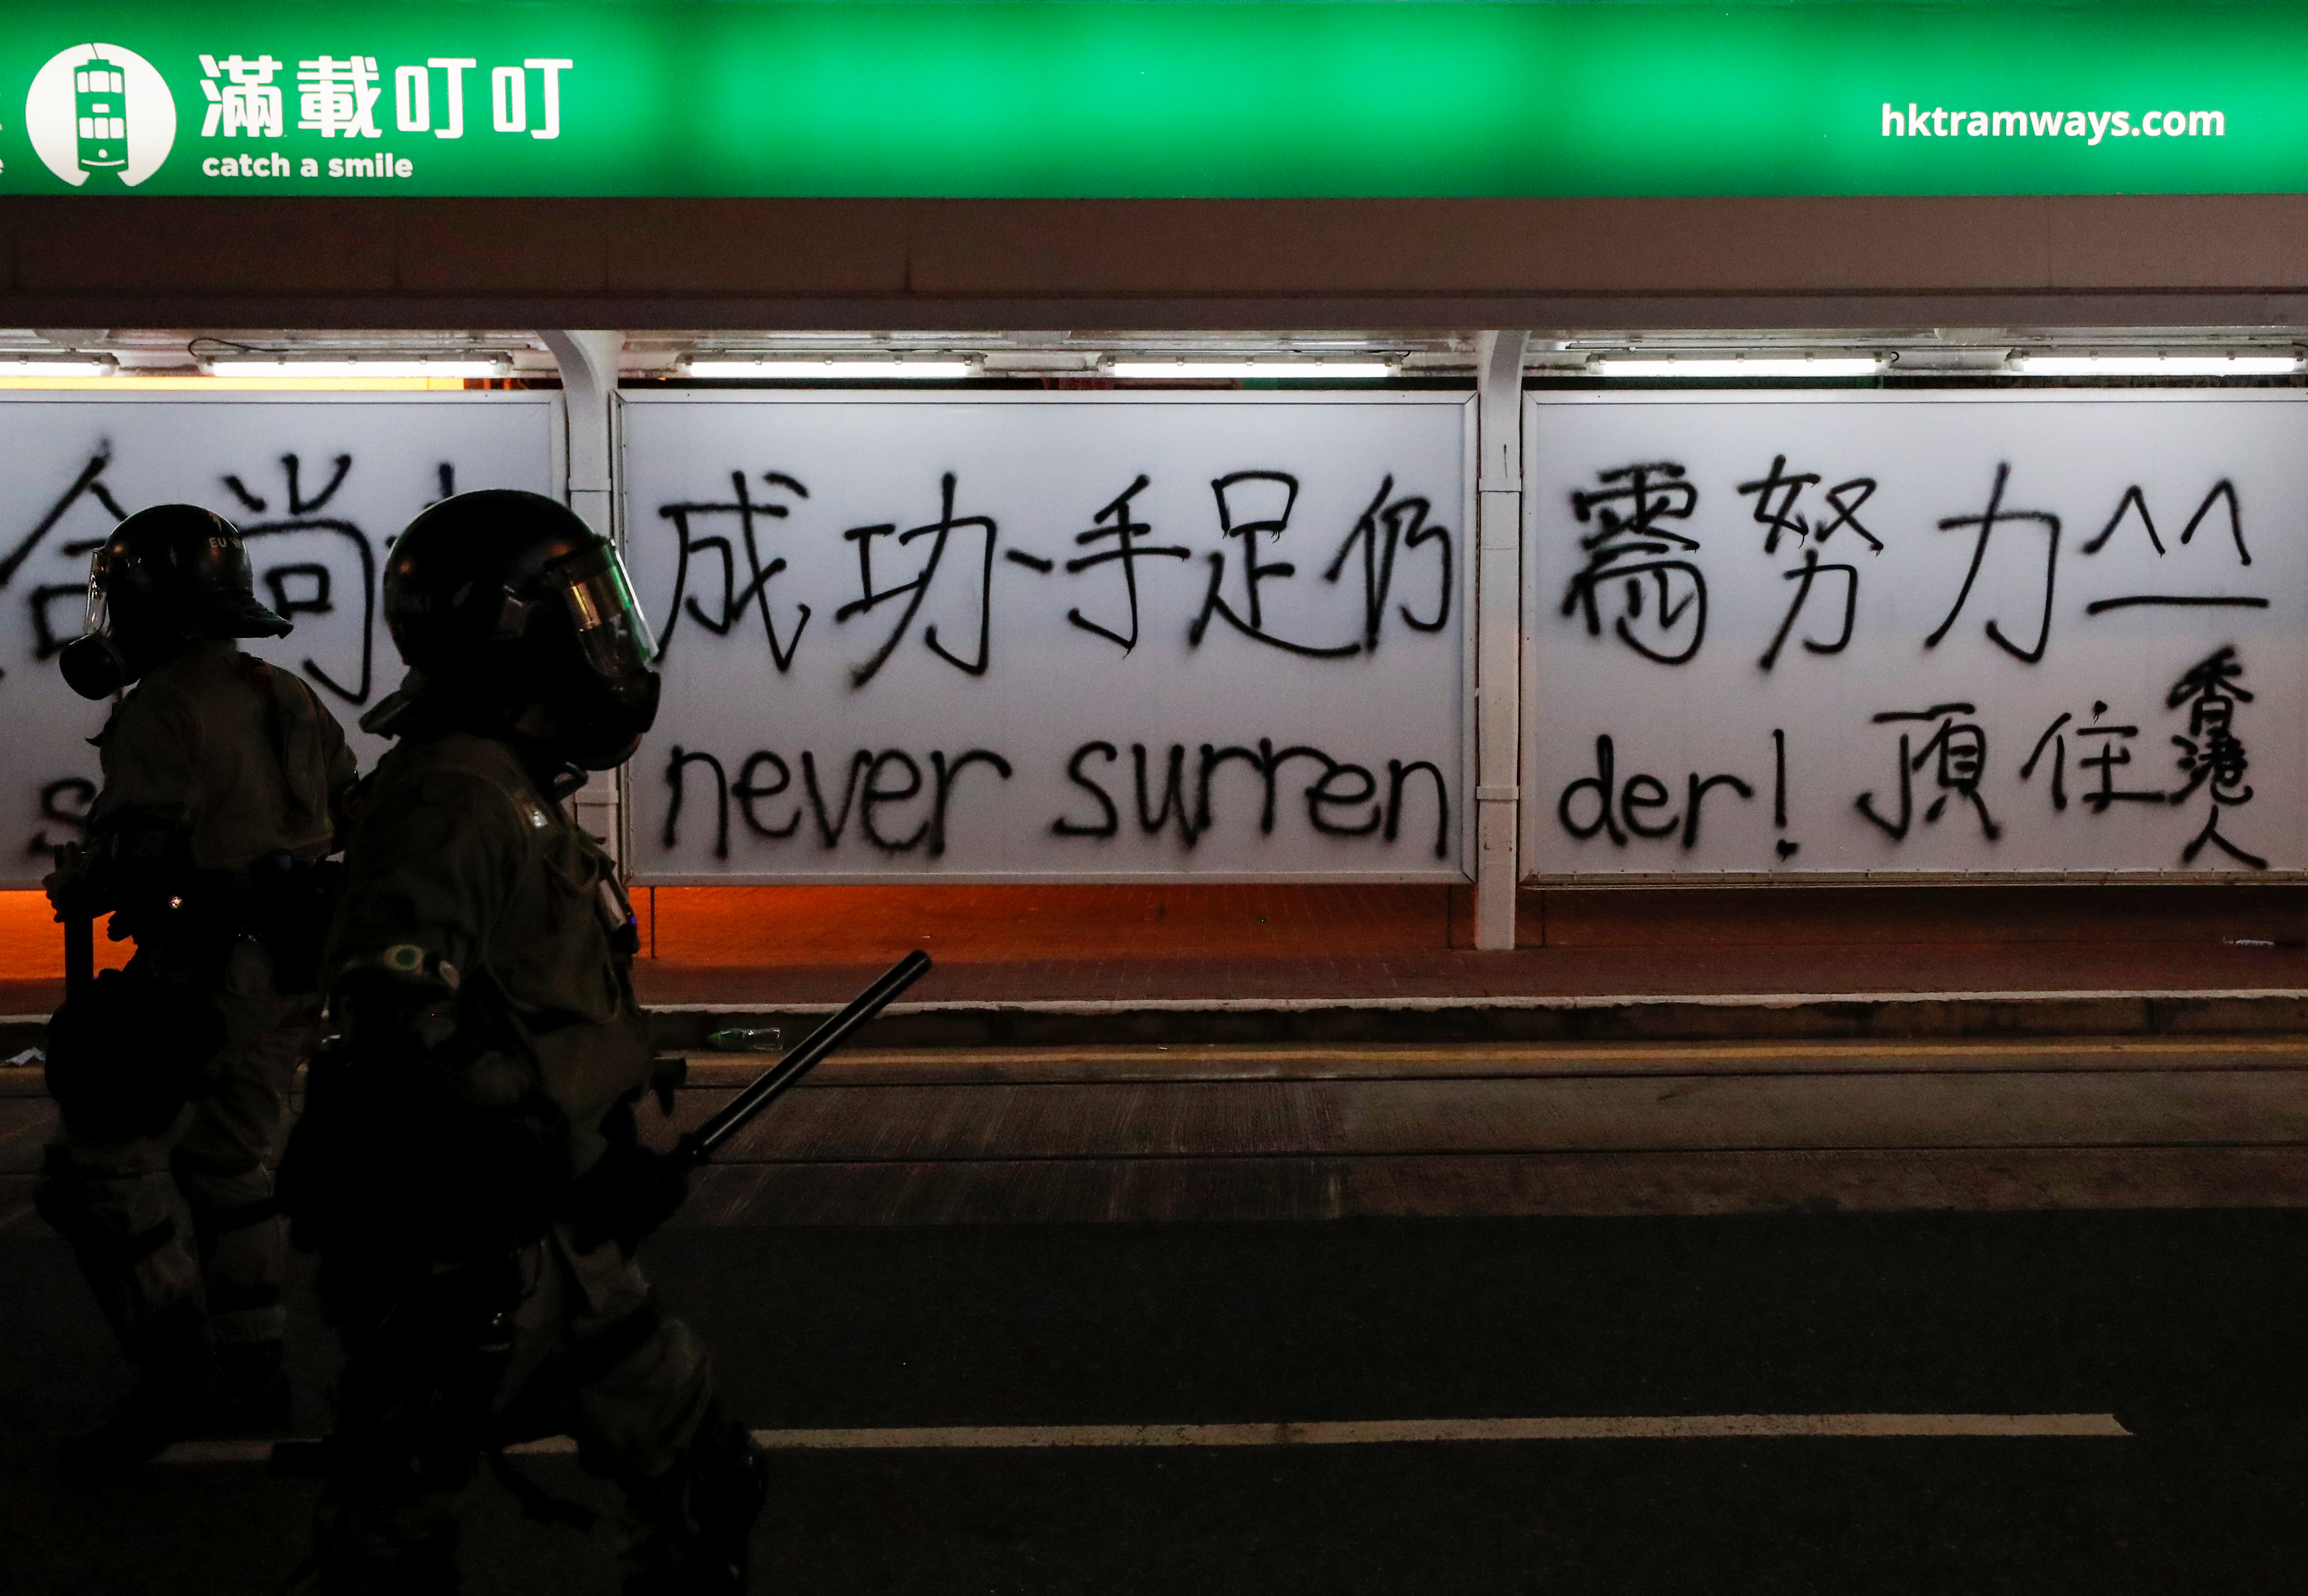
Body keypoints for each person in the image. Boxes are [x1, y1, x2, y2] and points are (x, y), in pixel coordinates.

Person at [278, 489, 764, 1594]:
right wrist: (543, 1153)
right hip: (463, 1255)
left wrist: (598, 1156)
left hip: (556, 1242)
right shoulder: (457, 797)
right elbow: (390, 1027)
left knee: (701, 1474)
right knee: (389, 1549)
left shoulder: (508, 788)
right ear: (507, 632)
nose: (604, 641)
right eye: (577, 613)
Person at [37, 503, 358, 1479]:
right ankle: (258, 1375)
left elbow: (142, 857)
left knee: (106, 1172)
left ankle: (174, 1377)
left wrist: (85, 884)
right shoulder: (290, 694)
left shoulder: (160, 709)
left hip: (203, 968)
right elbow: (345, 806)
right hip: (292, 971)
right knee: (231, 1165)